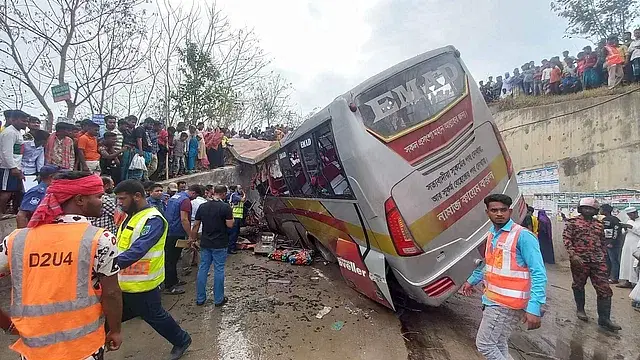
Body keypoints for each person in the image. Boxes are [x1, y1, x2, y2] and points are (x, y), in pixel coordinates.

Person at [0, 172, 123, 360]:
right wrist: (115, 330)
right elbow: (112, 293)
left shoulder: (16, 240)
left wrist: (7, 324)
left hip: (33, 351)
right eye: (98, 196)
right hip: (83, 349)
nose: (103, 200)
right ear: (80, 199)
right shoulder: (100, 239)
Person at [113, 179, 192, 360]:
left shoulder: (153, 220)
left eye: (122, 199)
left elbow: (140, 248)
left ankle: (181, 340)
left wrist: (112, 264)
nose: (119, 203)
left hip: (143, 283)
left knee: (155, 316)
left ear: (137, 196)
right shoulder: (129, 216)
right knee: (112, 317)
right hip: (124, 281)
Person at [461, 194, 546, 360]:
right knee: (498, 343)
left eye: (503, 210)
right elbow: (489, 263)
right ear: (487, 213)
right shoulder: (492, 234)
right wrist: (472, 281)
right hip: (493, 299)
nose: (499, 213)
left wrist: (534, 307)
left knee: (485, 345)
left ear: (510, 211)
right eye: (494, 210)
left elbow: (539, 272)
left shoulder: (523, 236)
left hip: (507, 304)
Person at [563, 198, 621, 332]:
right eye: (585, 208)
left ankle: (604, 319)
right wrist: (573, 255)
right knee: (578, 285)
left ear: (595, 210)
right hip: (580, 260)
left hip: (598, 261)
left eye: (591, 208)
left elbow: (602, 242)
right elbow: (567, 239)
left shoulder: (599, 225)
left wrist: (604, 256)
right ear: (580, 209)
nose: (588, 210)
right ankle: (580, 309)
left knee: (604, 289)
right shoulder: (572, 223)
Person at [191, 185, 233, 306]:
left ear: (214, 192)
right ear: (224, 194)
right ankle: (218, 299)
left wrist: (192, 239)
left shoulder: (203, 206)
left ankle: (200, 299)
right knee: (219, 269)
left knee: (203, 268)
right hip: (220, 243)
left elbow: (196, 225)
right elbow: (230, 225)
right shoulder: (225, 207)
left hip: (205, 242)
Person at [164, 184, 198, 294]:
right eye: (196, 196)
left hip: (169, 230)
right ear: (193, 193)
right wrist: (190, 235)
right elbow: (184, 219)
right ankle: (170, 286)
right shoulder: (185, 201)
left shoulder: (175, 197)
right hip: (176, 232)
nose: (195, 199)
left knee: (171, 259)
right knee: (171, 259)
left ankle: (174, 280)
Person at [0, 110, 28, 216]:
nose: (25, 123)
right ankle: (1, 213)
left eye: (26, 121)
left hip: (16, 166)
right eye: (22, 121)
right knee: (6, 192)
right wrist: (13, 167)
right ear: (13, 120)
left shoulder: (17, 132)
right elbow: (6, 152)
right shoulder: (9, 133)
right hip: (7, 168)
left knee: (12, 191)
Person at [601, 204, 623, 284]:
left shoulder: (614, 219)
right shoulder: (604, 219)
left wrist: (612, 242)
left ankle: (614, 278)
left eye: (601, 209)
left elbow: (616, 231)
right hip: (605, 243)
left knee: (614, 260)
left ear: (606, 210)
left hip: (613, 244)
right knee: (607, 260)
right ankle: (608, 276)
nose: (600, 211)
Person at [618, 206, 640, 288]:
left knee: (634, 263)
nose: (630, 216)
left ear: (635, 213)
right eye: (629, 215)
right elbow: (624, 233)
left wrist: (632, 227)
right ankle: (627, 281)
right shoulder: (629, 221)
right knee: (626, 262)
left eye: (631, 214)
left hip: (636, 244)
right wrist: (625, 228)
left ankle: (635, 282)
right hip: (628, 244)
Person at [227, 185, 245, 254]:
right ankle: (231, 249)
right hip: (235, 217)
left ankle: (232, 247)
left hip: (237, 217)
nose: (241, 190)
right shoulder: (235, 196)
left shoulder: (233, 195)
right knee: (233, 233)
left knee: (236, 233)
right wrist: (244, 193)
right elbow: (243, 200)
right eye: (240, 188)